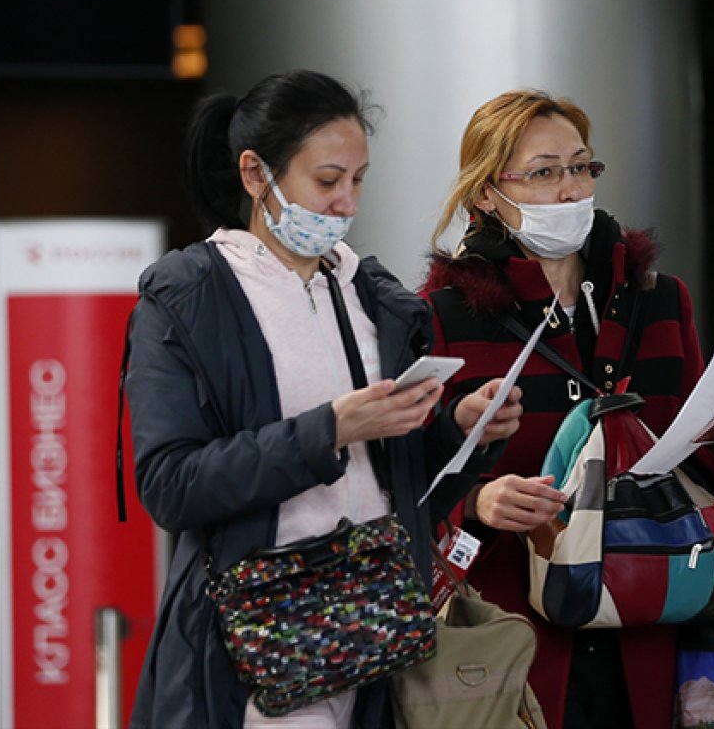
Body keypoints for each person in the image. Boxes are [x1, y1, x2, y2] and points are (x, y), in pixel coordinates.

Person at [123, 69, 522, 729]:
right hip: (256, 651)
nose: (345, 203)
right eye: (327, 180)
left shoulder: (373, 299)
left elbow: (411, 490)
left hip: (376, 638)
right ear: (255, 174)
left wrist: (458, 428)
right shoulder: (188, 297)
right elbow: (170, 485)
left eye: (358, 180)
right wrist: (328, 431)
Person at [420, 89, 714, 729]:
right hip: (517, 639)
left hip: (655, 623)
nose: (570, 189)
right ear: (485, 194)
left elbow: (699, 488)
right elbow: (413, 484)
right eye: (544, 171)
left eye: (582, 167)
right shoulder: (444, 317)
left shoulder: (658, 300)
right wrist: (479, 504)